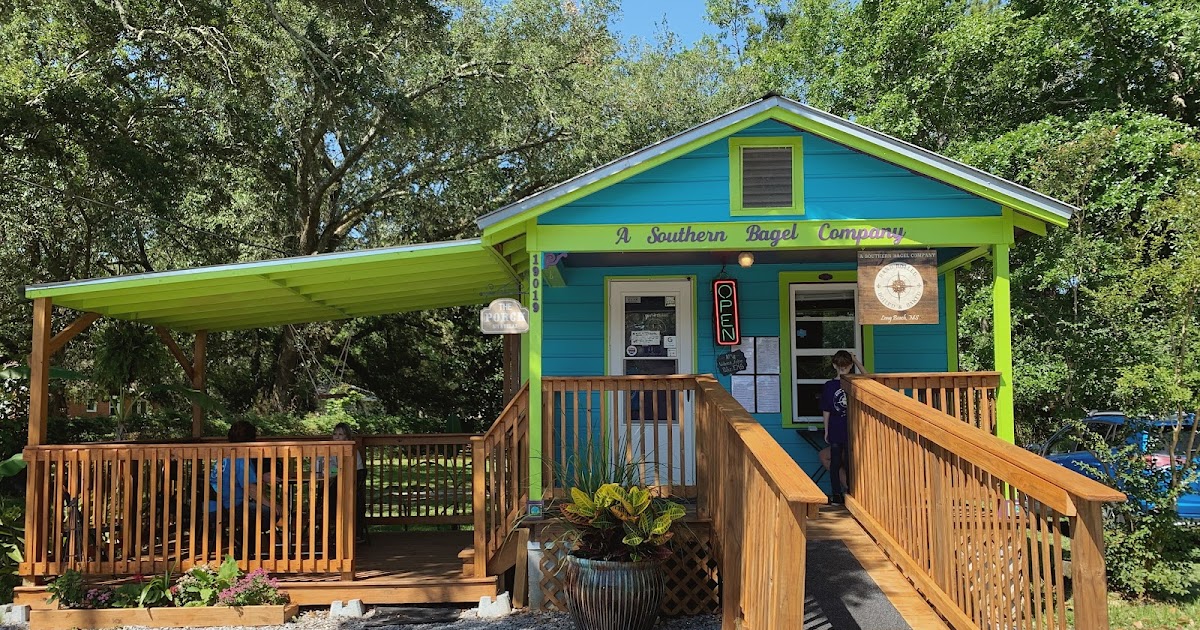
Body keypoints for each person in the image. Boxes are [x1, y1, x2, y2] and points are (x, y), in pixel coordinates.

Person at [208, 420, 277, 553]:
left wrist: (260, 477)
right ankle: (246, 550)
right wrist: (273, 505)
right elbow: (250, 489)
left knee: (254, 510)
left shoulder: (224, 456)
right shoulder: (241, 457)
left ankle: (243, 546)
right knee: (267, 513)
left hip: (212, 507)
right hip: (230, 508)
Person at [820, 350, 864, 505]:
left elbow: (869, 378)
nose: (843, 369)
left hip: (846, 428)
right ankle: (843, 494)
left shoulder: (853, 383)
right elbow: (826, 410)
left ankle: (844, 494)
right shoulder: (833, 385)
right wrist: (855, 360)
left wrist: (826, 429)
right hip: (843, 427)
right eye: (843, 366)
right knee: (842, 461)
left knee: (845, 461)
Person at [314, 422, 368, 545]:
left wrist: (334, 471)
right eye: (335, 434)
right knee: (327, 493)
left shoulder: (352, 450)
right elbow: (321, 469)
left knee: (338, 493)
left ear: (347, 437)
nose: (337, 437)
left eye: (341, 434)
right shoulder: (326, 450)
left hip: (350, 488)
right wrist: (334, 470)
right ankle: (327, 532)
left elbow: (353, 471)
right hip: (331, 486)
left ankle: (347, 532)